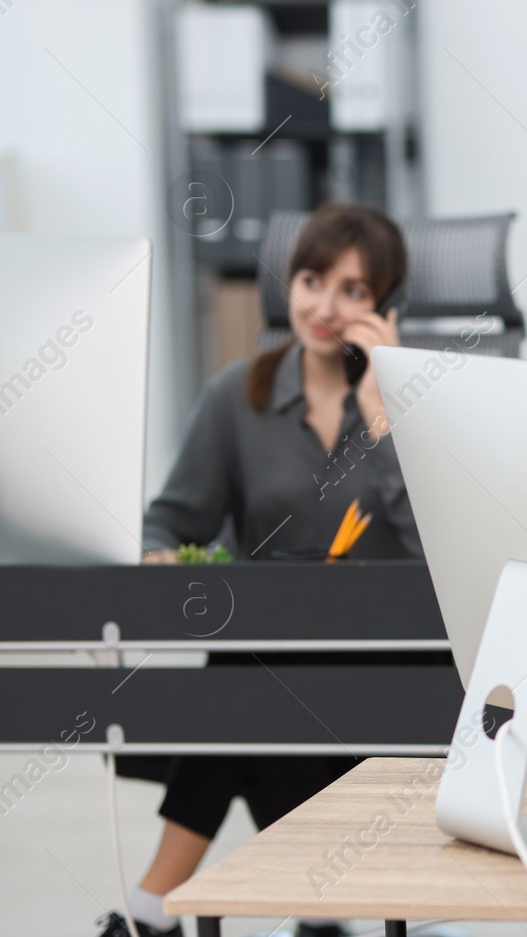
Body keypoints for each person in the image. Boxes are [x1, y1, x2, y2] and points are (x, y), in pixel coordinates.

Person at [99, 204, 421, 937]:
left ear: (386, 308)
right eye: (312, 280)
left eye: (354, 291)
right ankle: (305, 910)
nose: (325, 306)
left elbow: (435, 553)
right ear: (289, 285)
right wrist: (159, 554)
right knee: (250, 667)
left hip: (391, 682)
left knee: (240, 677)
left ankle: (151, 911)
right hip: (272, 681)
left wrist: (382, 414)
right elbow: (172, 520)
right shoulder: (234, 397)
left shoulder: (410, 404)